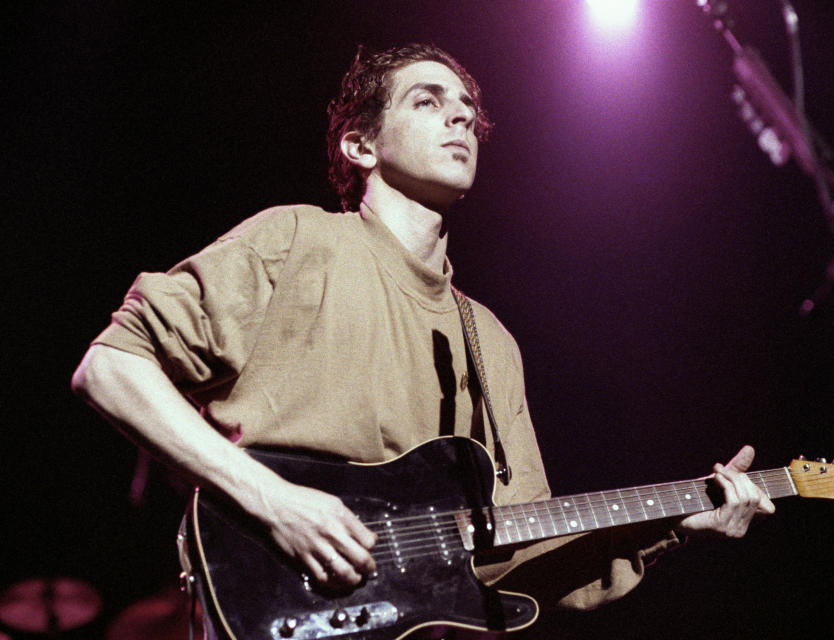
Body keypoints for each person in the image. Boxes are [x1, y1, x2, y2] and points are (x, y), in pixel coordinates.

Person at [71, 42, 774, 627]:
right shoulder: (296, 240)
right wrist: (272, 500)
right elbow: (110, 367)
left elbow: (525, 545)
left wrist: (679, 522)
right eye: (428, 102)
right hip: (272, 602)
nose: (461, 120)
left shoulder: (489, 340)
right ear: (360, 143)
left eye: (469, 112)